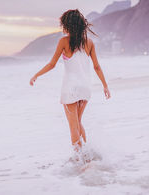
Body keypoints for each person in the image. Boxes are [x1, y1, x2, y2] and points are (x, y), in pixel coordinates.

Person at [29, 9, 111, 154]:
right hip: (85, 88)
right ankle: (87, 153)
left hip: (70, 88)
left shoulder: (64, 41)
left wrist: (36, 74)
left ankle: (79, 160)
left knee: (73, 125)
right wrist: (105, 86)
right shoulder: (89, 43)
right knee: (78, 123)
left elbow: (52, 64)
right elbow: (97, 66)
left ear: (68, 25)